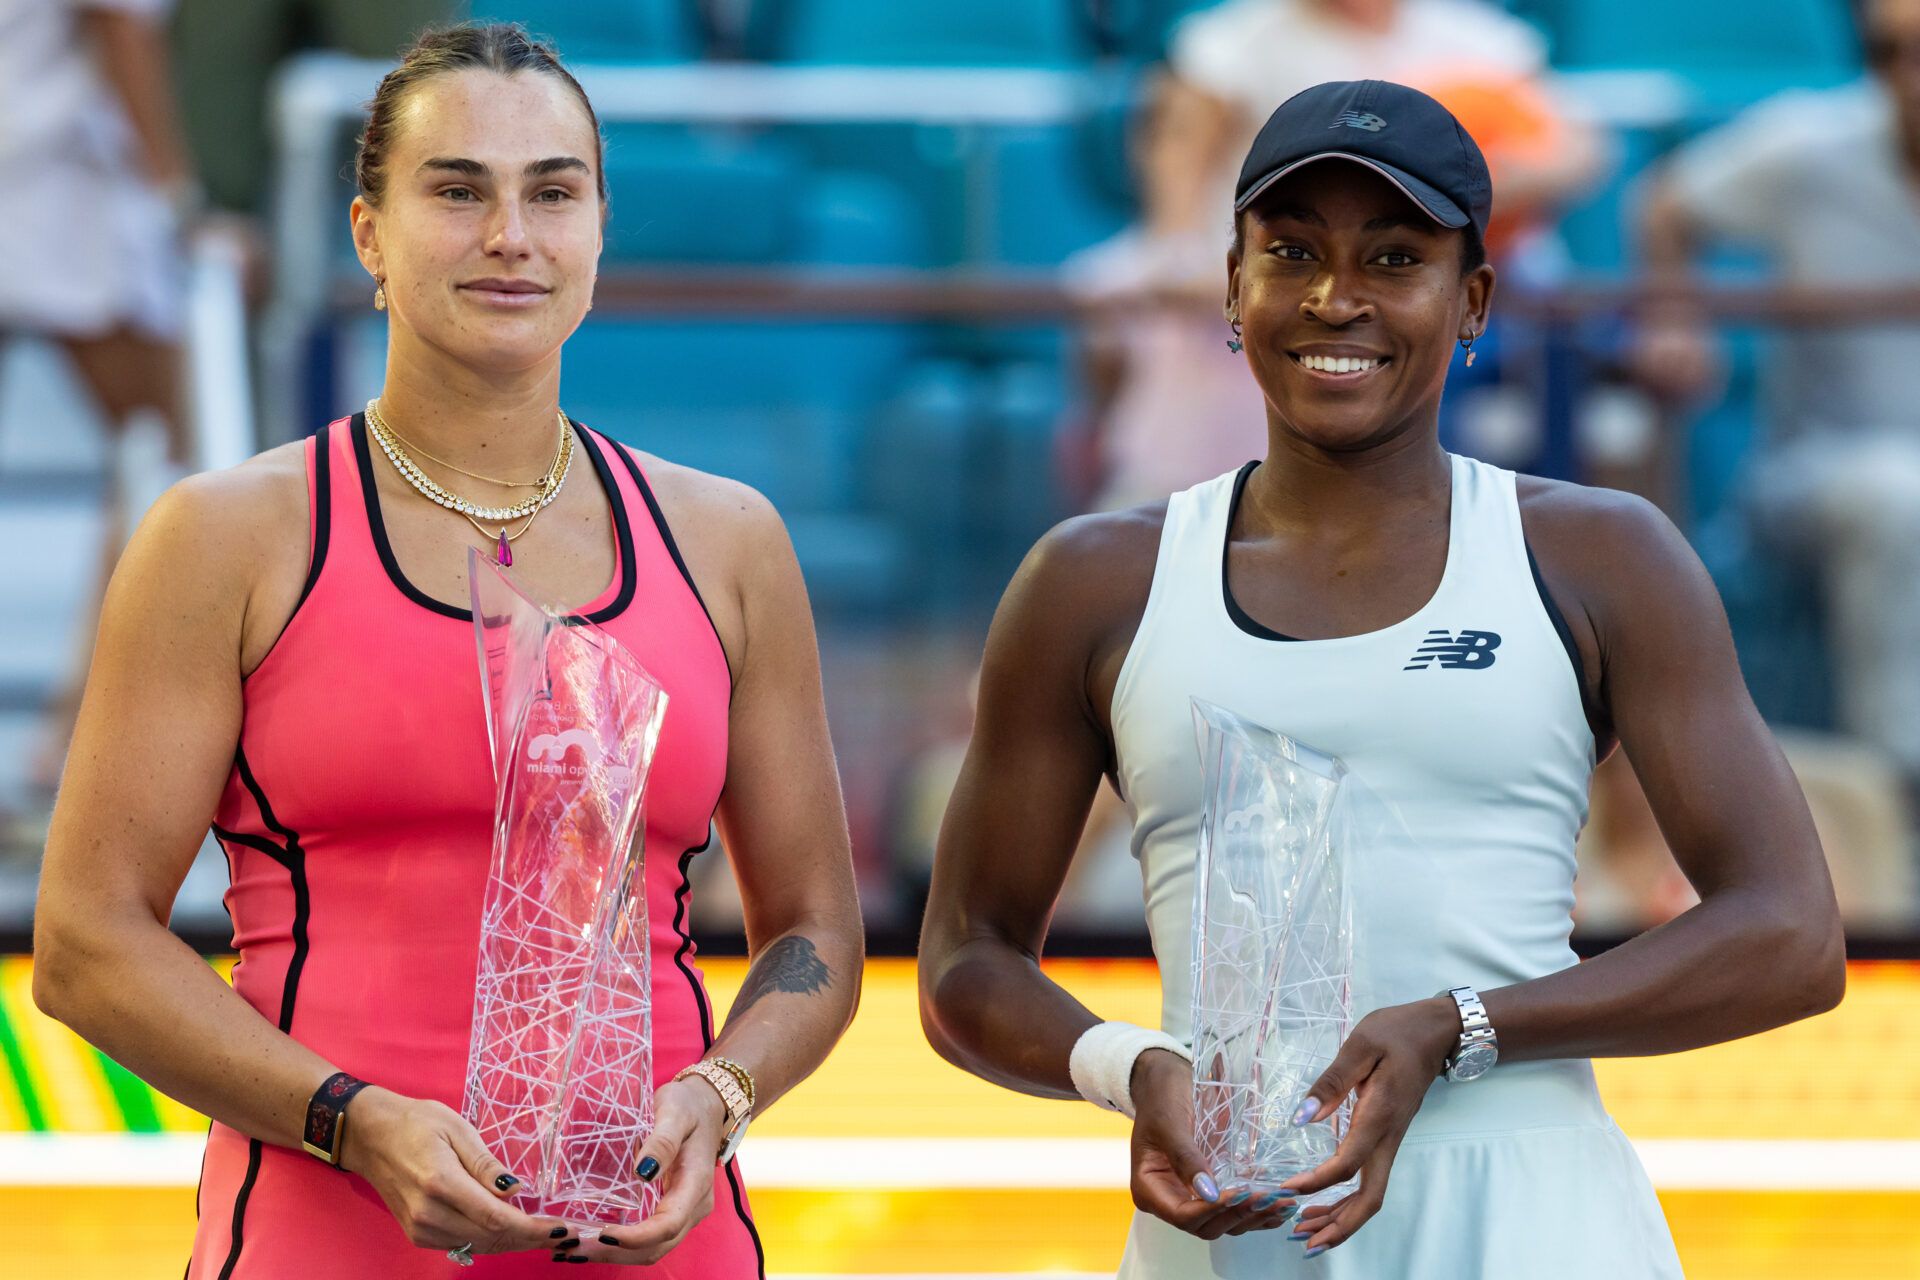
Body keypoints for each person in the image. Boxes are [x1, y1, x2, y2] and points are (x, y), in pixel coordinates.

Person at [921, 80, 1844, 1277]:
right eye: (1290, 252)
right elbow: (964, 960)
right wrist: (1136, 1069)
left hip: (1532, 1219)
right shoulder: (1094, 578)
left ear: (1471, 302)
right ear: (1231, 288)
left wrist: (1461, 1027)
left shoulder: (1604, 555)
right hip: (1232, 1223)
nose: (1334, 297)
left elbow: (1790, 934)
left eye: (1393, 257)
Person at [33, 23, 863, 1277]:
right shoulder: (228, 538)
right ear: (368, 233)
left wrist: (721, 1093)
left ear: (598, 232)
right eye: (457, 189)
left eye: (552, 192)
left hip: (660, 1249)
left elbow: (815, 931)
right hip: (321, 1241)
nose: (510, 236)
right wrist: (351, 1120)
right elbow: (87, 940)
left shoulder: (729, 541)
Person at [1633, 0, 1920, 798]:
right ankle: (1901, 805)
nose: (1911, 75)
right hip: (1816, 472)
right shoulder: (1808, 146)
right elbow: (1665, 202)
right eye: (1892, 51)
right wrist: (1675, 318)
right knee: (1902, 496)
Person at [0, 0, 196, 800]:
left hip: (45, 187)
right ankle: (82, 741)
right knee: (180, 448)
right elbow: (120, 23)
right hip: (46, 190)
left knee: (167, 455)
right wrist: (176, 193)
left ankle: (75, 737)